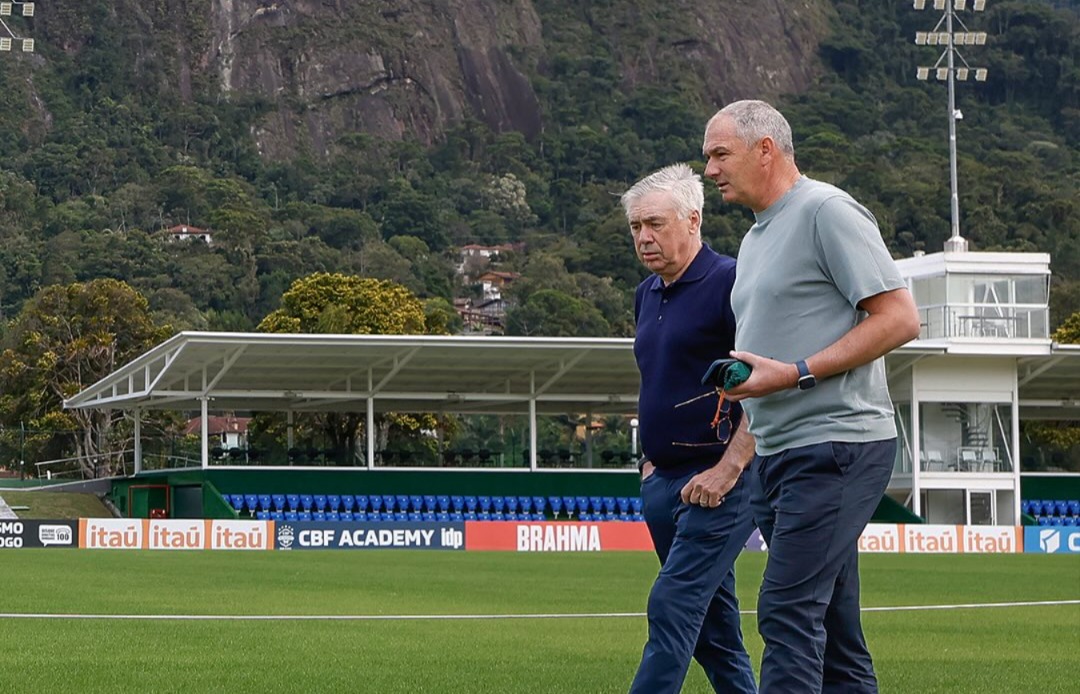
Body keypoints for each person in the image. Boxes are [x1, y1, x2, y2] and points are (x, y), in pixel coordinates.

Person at [702, 100, 921, 693]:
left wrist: (796, 372)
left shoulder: (827, 210)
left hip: (836, 446)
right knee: (834, 631)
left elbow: (899, 319)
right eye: (708, 158)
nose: (711, 170)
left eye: (721, 155)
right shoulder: (753, 239)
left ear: (765, 149)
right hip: (779, 453)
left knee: (786, 610)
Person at [621, 162, 758, 694]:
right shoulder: (646, 294)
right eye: (636, 227)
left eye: (655, 223)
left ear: (694, 220)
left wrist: (731, 465)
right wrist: (651, 467)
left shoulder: (731, 281)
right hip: (664, 482)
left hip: (720, 479)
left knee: (673, 602)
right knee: (716, 632)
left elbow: (760, 380)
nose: (644, 237)